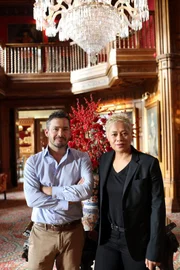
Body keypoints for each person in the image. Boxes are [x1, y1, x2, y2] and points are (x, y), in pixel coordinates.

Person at [94, 113, 166, 270]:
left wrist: (154, 248)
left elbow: (157, 208)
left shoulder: (148, 163)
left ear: (131, 134)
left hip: (137, 239)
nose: (119, 138)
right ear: (107, 136)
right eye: (114, 134)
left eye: (124, 133)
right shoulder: (104, 160)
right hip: (108, 238)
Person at [23, 110, 93, 270]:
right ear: (47, 131)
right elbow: (33, 199)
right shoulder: (33, 162)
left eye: (65, 129)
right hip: (42, 231)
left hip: (73, 232)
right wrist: (69, 198)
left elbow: (86, 191)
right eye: (56, 129)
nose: (60, 133)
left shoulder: (82, 158)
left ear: (70, 131)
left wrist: (50, 190)